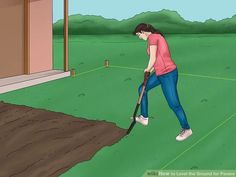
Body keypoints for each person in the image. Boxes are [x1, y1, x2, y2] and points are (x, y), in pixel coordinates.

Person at [132, 23, 192, 141]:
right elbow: (158, 60)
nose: (139, 37)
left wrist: (147, 69)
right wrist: (151, 70)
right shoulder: (156, 37)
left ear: (143, 31)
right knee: (142, 89)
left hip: (168, 74)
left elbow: (153, 58)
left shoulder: (153, 37)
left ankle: (187, 129)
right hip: (159, 73)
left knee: (174, 104)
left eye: (139, 35)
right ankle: (144, 117)